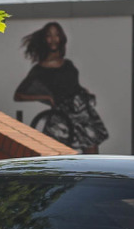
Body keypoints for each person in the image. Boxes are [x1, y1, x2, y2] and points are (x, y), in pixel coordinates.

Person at [13, 22, 108, 153]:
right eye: (49, 36)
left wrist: (84, 91)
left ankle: (91, 174)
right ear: (45, 40)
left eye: (56, 35)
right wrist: (46, 97)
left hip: (82, 109)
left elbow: (72, 85)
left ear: (61, 38)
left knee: (92, 151)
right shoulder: (40, 69)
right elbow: (19, 95)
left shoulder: (68, 64)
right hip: (62, 113)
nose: (53, 39)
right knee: (56, 153)